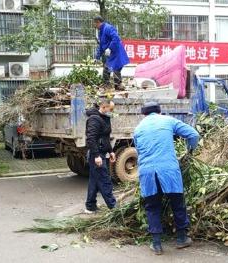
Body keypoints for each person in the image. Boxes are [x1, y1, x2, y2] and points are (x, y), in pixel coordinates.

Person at [133, 102, 200, 255]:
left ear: (144, 114)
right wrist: (189, 152)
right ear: (159, 111)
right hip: (168, 170)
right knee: (177, 204)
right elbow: (194, 135)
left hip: (147, 172)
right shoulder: (168, 121)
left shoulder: (138, 128)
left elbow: (138, 150)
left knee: (152, 207)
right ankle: (182, 239)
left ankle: (156, 244)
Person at [85, 99, 116, 214]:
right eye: (111, 109)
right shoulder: (94, 119)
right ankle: (114, 207)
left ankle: (90, 205)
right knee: (104, 180)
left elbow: (105, 137)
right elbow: (91, 138)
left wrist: (111, 151)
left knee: (94, 180)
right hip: (96, 155)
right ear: (104, 107)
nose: (112, 111)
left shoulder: (104, 118)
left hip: (102, 152)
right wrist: (97, 155)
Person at [93, 16, 130, 90]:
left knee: (116, 70)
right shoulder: (101, 31)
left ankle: (118, 86)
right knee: (106, 70)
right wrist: (97, 57)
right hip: (111, 55)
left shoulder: (108, 28)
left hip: (116, 53)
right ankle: (107, 85)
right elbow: (101, 45)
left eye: (95, 24)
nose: (94, 26)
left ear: (98, 22)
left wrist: (110, 48)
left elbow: (116, 38)